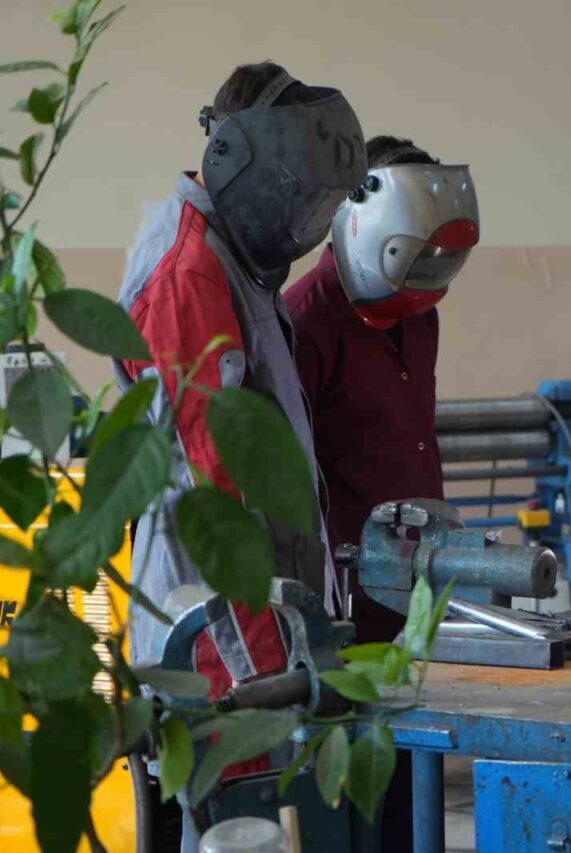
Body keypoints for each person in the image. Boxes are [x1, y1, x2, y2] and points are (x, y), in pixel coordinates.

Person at [114, 60, 364, 793]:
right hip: (227, 658)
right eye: (299, 204)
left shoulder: (230, 261)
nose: (306, 230)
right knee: (241, 833)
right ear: (243, 165)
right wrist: (261, 677)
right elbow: (215, 499)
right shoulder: (191, 273)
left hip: (263, 644)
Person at [285, 136, 479, 642]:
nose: (428, 271)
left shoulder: (419, 315)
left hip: (423, 582)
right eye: (417, 254)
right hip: (347, 597)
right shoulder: (306, 322)